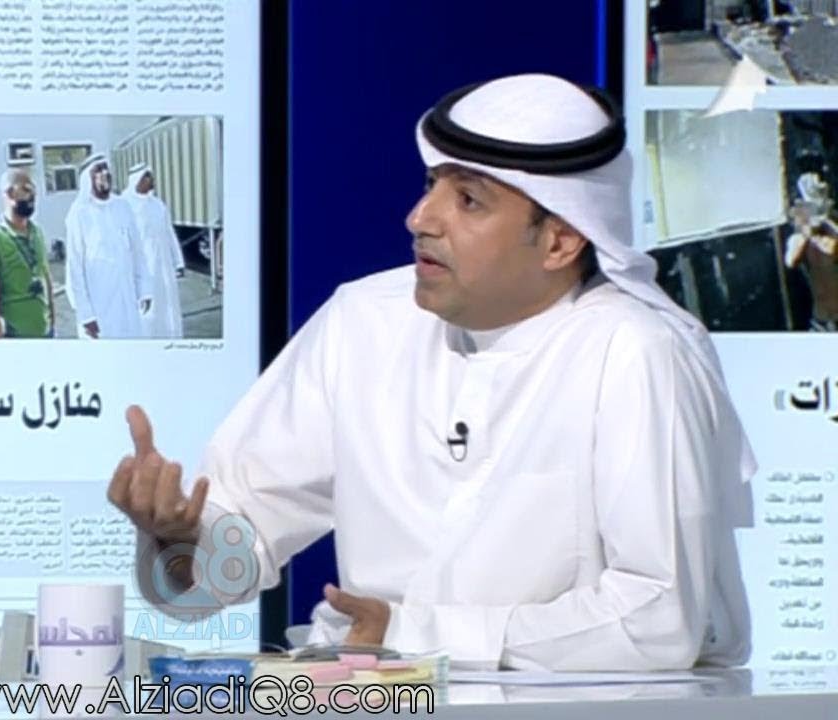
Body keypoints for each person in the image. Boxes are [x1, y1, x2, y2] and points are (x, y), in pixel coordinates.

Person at [108, 74, 757, 672]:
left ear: (561, 241)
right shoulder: (363, 321)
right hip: (368, 698)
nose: (419, 218)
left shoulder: (634, 352)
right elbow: (227, 556)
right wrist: (178, 542)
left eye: (468, 200)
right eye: (431, 186)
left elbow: (658, 620)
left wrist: (411, 634)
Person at [64, 154, 152, 339]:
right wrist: (85, 314)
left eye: (106, 169)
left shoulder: (123, 207)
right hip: (98, 307)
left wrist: (144, 289)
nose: (105, 173)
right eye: (98, 170)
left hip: (127, 299)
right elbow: (74, 268)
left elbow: (137, 252)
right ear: (88, 178)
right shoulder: (79, 213)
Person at [0, 167, 55, 338]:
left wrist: (52, 321)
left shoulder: (37, 232)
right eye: (26, 190)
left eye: (34, 190)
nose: (33, 196)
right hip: (17, 340)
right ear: (10, 194)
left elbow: (46, 277)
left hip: (47, 334)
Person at [125, 162, 186, 338]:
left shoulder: (158, 205)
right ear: (138, 180)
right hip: (143, 270)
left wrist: (178, 262)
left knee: (168, 309)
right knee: (147, 315)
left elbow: (169, 233)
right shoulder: (125, 205)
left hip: (164, 267)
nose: (152, 180)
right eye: (148, 176)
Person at [784, 170, 837, 332]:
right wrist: (805, 230)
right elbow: (790, 260)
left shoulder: (832, 231)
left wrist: (826, 221)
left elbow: (831, 248)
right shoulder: (800, 238)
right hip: (820, 319)